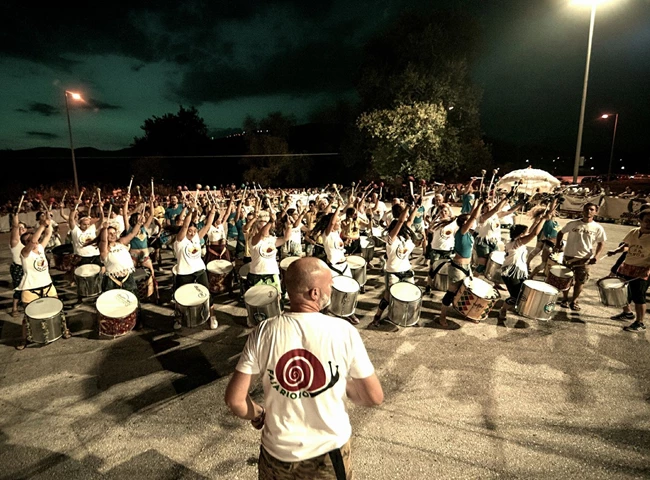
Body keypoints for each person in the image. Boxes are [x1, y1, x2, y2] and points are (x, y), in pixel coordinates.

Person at [224, 257, 383, 480]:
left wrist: (258, 413)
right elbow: (374, 396)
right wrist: (341, 385)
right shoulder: (343, 331)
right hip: (327, 455)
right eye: (329, 284)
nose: (332, 288)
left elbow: (235, 401)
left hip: (276, 455)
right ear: (314, 293)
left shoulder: (264, 331)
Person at [15, 216, 71, 350]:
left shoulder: (40, 248)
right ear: (25, 243)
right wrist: (41, 225)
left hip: (47, 285)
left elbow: (48, 234)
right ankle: (24, 339)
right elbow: (35, 238)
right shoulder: (24, 253)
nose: (33, 241)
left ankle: (64, 330)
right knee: (28, 316)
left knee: (58, 310)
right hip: (30, 288)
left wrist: (48, 222)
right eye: (28, 240)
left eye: (33, 239)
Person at [498, 207, 553, 321]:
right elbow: (533, 233)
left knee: (522, 293)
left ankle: (514, 308)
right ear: (521, 234)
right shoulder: (517, 243)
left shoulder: (517, 241)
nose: (527, 234)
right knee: (516, 295)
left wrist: (539, 219)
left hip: (518, 272)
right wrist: (543, 219)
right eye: (525, 233)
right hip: (511, 273)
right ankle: (503, 310)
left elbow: (532, 231)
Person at [370, 201, 418, 330]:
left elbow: (409, 221)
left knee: (411, 293)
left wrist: (416, 207)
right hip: (393, 271)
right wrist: (407, 207)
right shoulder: (391, 239)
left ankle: (408, 317)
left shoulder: (404, 238)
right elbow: (402, 221)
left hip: (406, 269)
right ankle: (377, 317)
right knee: (388, 295)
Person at [437, 196, 484, 328]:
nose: (472, 223)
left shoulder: (469, 233)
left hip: (466, 266)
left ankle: (466, 314)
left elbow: (475, 216)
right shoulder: (461, 232)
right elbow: (473, 217)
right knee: (451, 293)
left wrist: (478, 203)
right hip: (458, 267)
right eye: (469, 221)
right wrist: (479, 203)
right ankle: (442, 317)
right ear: (465, 223)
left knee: (465, 292)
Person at [173, 201, 218, 329]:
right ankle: (178, 319)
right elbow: (185, 225)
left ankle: (212, 316)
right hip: (184, 273)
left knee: (207, 294)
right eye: (190, 231)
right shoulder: (180, 240)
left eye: (194, 231)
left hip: (199, 270)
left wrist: (213, 210)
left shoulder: (197, 237)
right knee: (181, 298)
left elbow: (209, 224)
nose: (192, 233)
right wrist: (191, 211)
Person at [554, 202, 607, 311]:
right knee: (566, 279)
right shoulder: (572, 224)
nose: (589, 211)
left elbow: (601, 243)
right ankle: (564, 299)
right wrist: (558, 245)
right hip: (568, 256)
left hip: (584, 259)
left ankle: (574, 301)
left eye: (592, 209)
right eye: (587, 209)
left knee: (580, 281)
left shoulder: (597, 228)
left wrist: (596, 256)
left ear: (596, 212)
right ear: (582, 210)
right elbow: (560, 233)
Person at [605, 208, 650, 332]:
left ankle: (640, 322)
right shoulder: (634, 232)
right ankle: (627, 313)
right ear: (640, 220)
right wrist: (616, 251)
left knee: (639, 297)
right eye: (647, 221)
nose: (649, 223)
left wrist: (647, 270)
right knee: (622, 292)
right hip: (627, 267)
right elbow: (626, 246)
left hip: (642, 269)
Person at [99, 216, 147, 329]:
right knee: (114, 303)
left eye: (114, 233)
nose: (112, 235)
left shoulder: (121, 242)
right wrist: (104, 229)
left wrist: (138, 224)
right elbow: (103, 240)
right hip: (112, 279)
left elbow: (132, 234)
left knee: (133, 300)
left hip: (127, 277)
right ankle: (115, 325)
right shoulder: (104, 249)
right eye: (109, 233)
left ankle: (136, 322)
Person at [423, 203, 457, 294]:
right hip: (436, 248)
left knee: (447, 269)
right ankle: (428, 285)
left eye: (445, 211)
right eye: (441, 212)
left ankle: (445, 286)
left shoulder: (453, 222)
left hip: (448, 249)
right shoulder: (437, 222)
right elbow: (430, 229)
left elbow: (454, 217)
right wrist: (437, 216)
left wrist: (448, 207)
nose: (443, 213)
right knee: (433, 268)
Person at [9, 212, 28, 317]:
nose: (21, 230)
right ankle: (14, 308)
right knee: (18, 288)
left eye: (23, 228)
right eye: (19, 228)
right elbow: (15, 226)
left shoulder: (28, 241)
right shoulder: (15, 241)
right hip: (18, 268)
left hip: (28, 267)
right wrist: (15, 216)